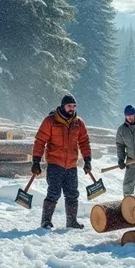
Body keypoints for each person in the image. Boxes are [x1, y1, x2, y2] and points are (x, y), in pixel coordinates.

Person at [32, 94, 91, 230]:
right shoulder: (50, 121)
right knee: (53, 193)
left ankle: (72, 222)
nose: (72, 109)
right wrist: (36, 161)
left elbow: (84, 142)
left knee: (72, 194)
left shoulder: (78, 123)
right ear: (63, 106)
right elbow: (40, 141)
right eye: (69, 106)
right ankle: (46, 221)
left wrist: (87, 160)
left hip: (71, 165)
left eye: (74, 106)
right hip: (55, 164)